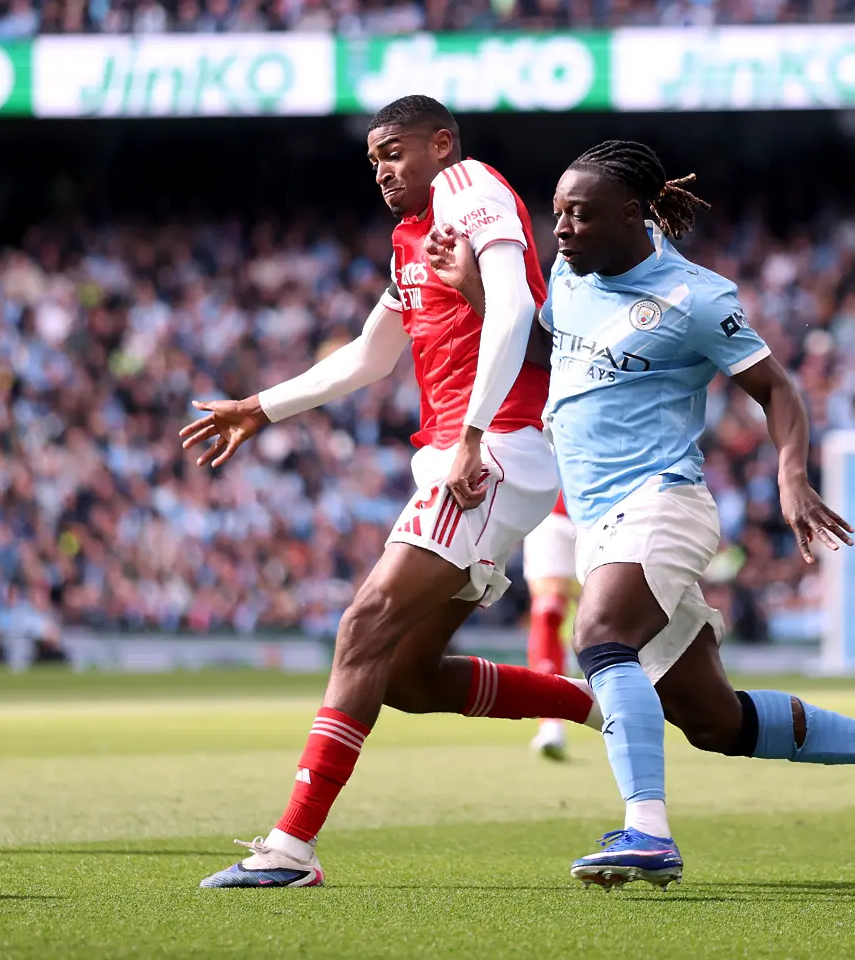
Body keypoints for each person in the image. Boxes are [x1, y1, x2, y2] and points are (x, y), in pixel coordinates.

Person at [425, 139, 855, 890]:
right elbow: (552, 351)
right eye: (557, 213)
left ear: (631, 215)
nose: (562, 230)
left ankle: (647, 833)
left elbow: (777, 389)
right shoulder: (572, 274)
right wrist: (474, 290)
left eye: (579, 215)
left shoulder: (696, 298)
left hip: (661, 504)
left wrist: (791, 476)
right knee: (715, 722)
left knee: (599, 633)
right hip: (598, 524)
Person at [182, 96, 603, 889]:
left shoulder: (468, 186)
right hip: (466, 455)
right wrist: (260, 407)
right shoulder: (410, 238)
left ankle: (290, 847)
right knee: (407, 676)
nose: (380, 170)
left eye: (393, 151)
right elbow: (368, 358)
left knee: (364, 623)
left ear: (440, 143)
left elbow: (516, 306)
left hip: (492, 450)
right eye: (372, 159)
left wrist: (471, 435)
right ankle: (603, 705)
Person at [521, 494, 579, 760]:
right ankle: (551, 720)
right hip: (551, 512)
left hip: (611, 508)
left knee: (621, 617)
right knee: (548, 612)